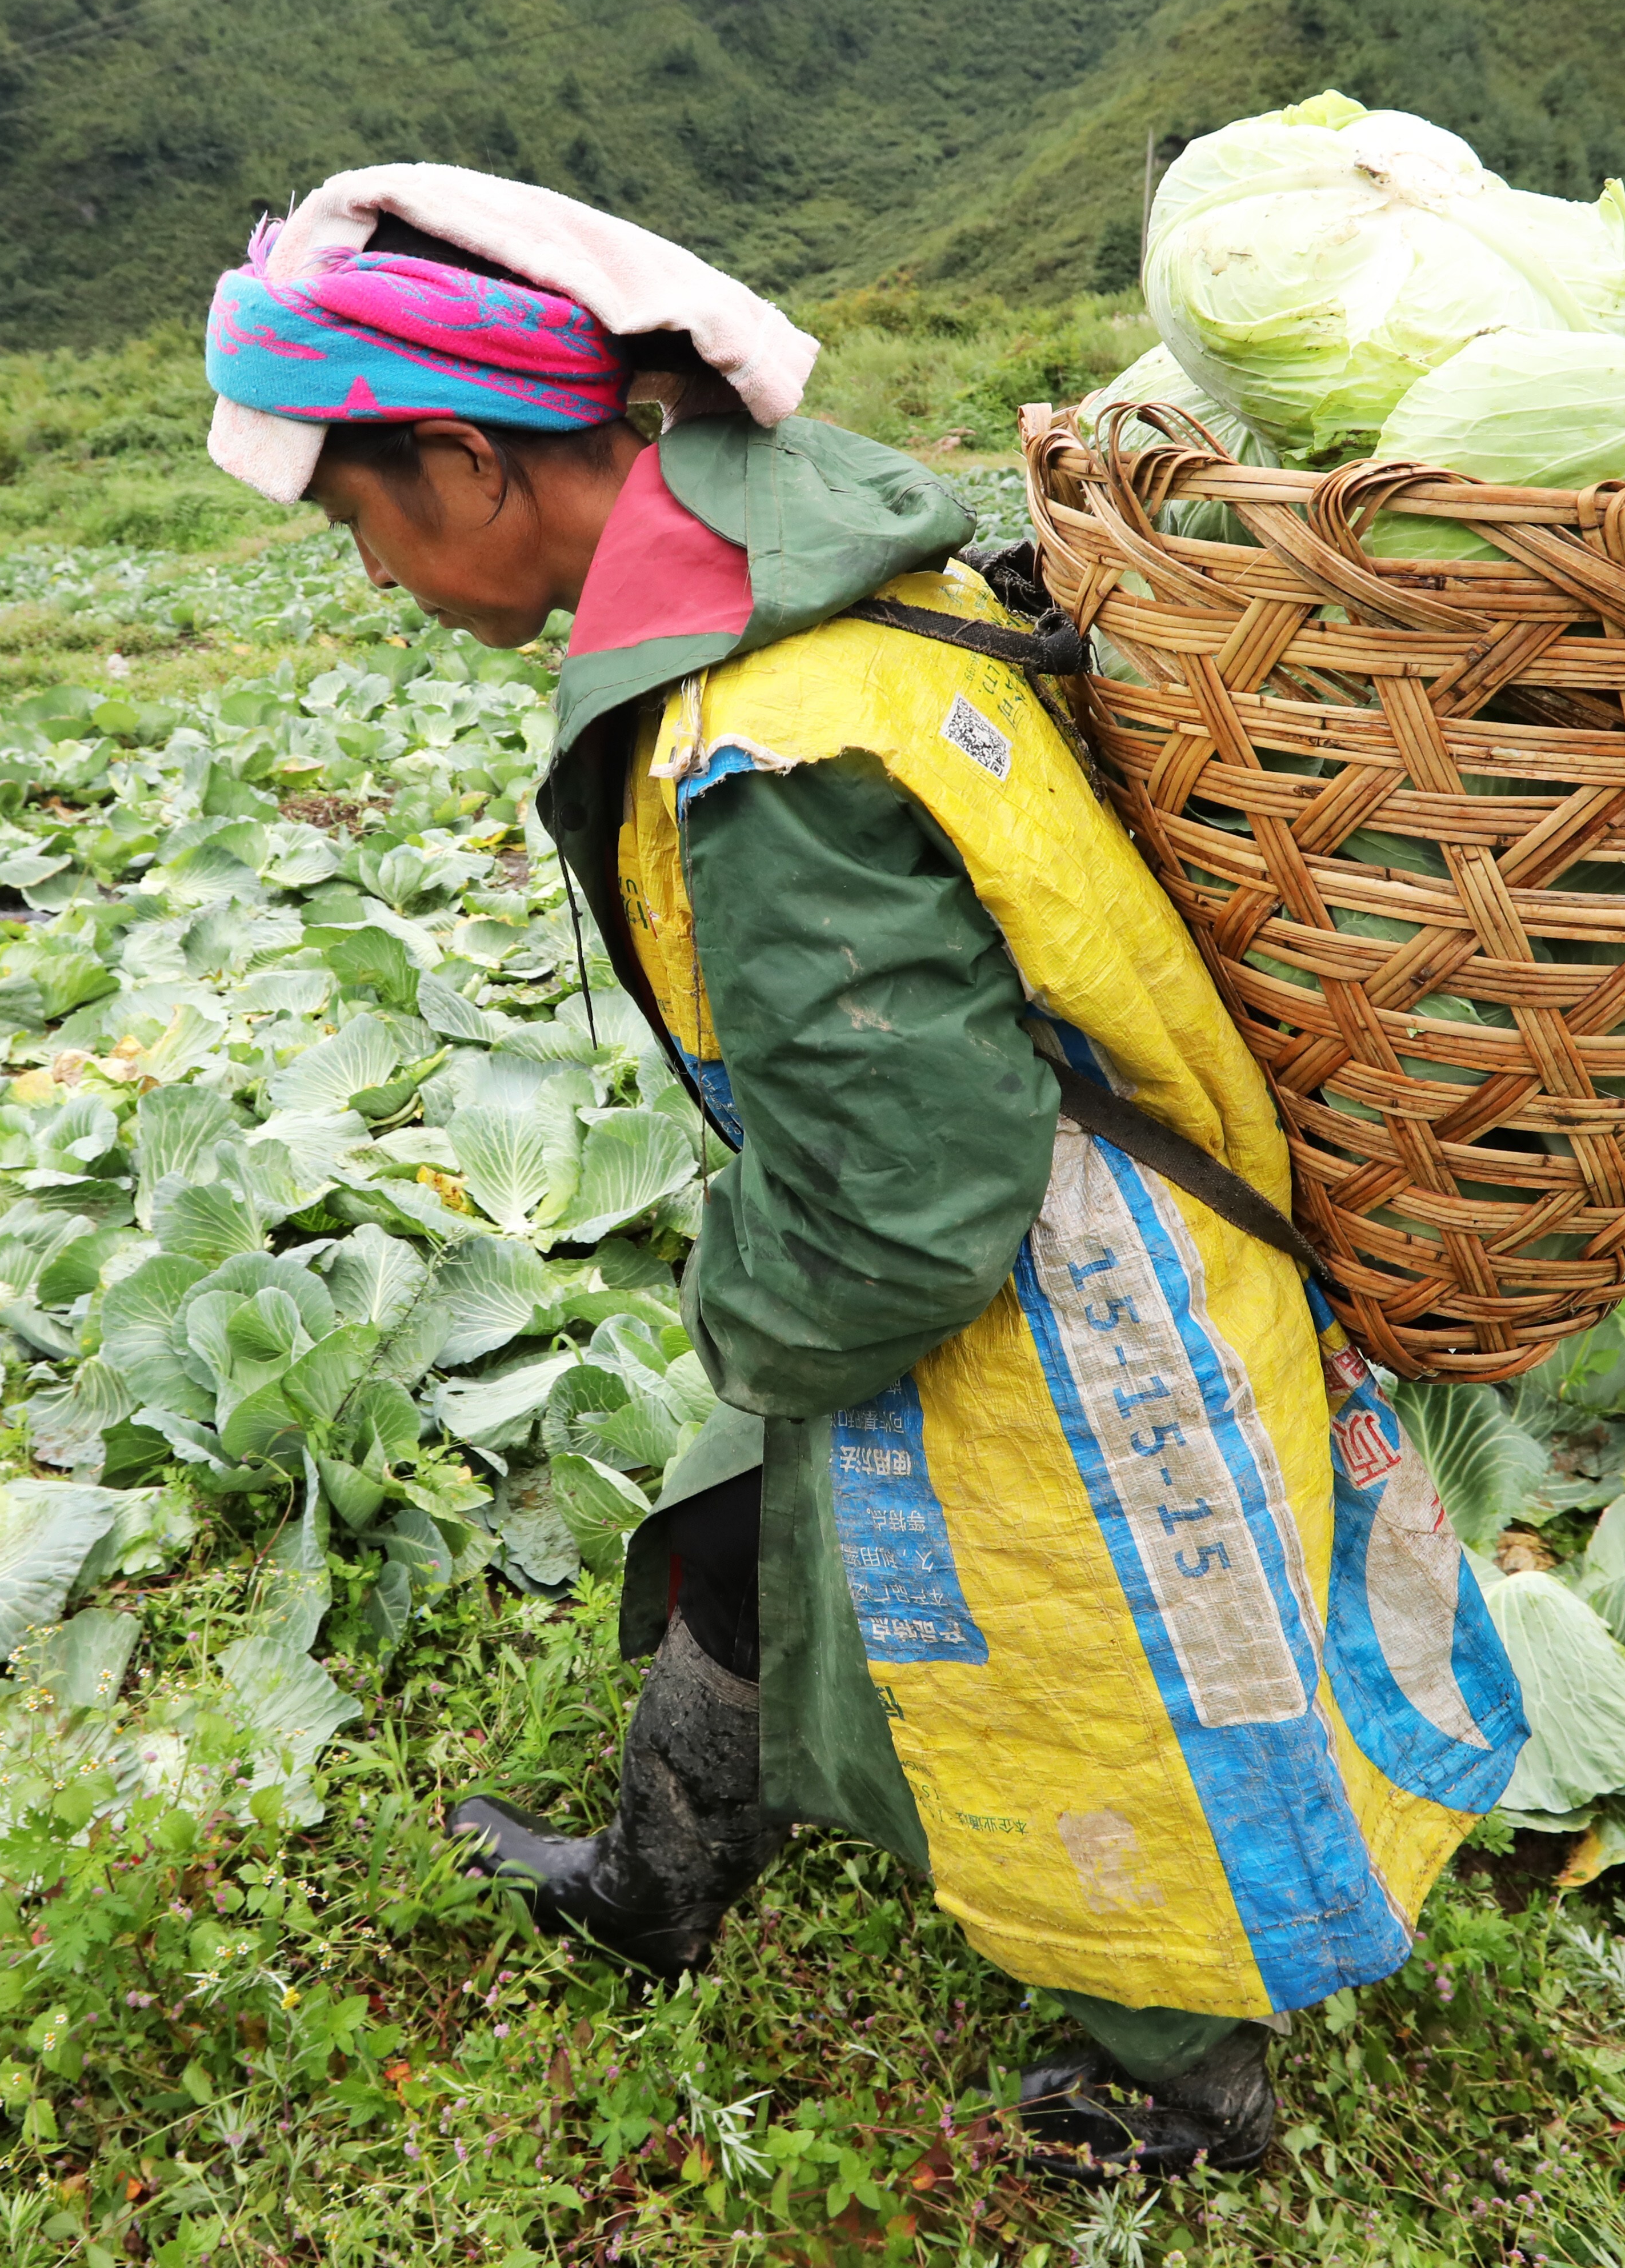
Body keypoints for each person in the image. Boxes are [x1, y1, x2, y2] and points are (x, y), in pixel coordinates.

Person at [201, 166, 1528, 2180]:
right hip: (1055, 1198)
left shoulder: (771, 738)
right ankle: (656, 1882)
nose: (372, 572)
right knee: (752, 1514)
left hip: (1076, 1298)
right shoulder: (816, 555)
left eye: (354, 518)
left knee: (1123, 1680)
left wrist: (747, 1308)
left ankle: (1188, 2089)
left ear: (464, 461)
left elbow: (913, 1201)